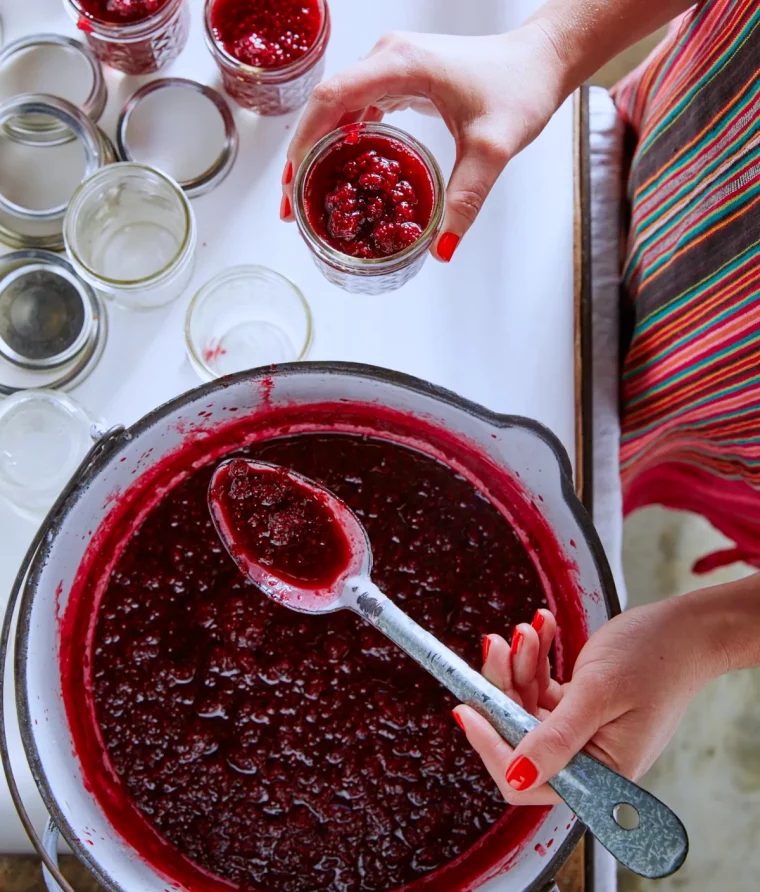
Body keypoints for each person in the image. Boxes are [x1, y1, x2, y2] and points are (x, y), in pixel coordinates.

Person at [281, 0, 760, 804]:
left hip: (719, 403)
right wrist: (554, 43)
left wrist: (706, 633)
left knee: (631, 443)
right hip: (694, 146)